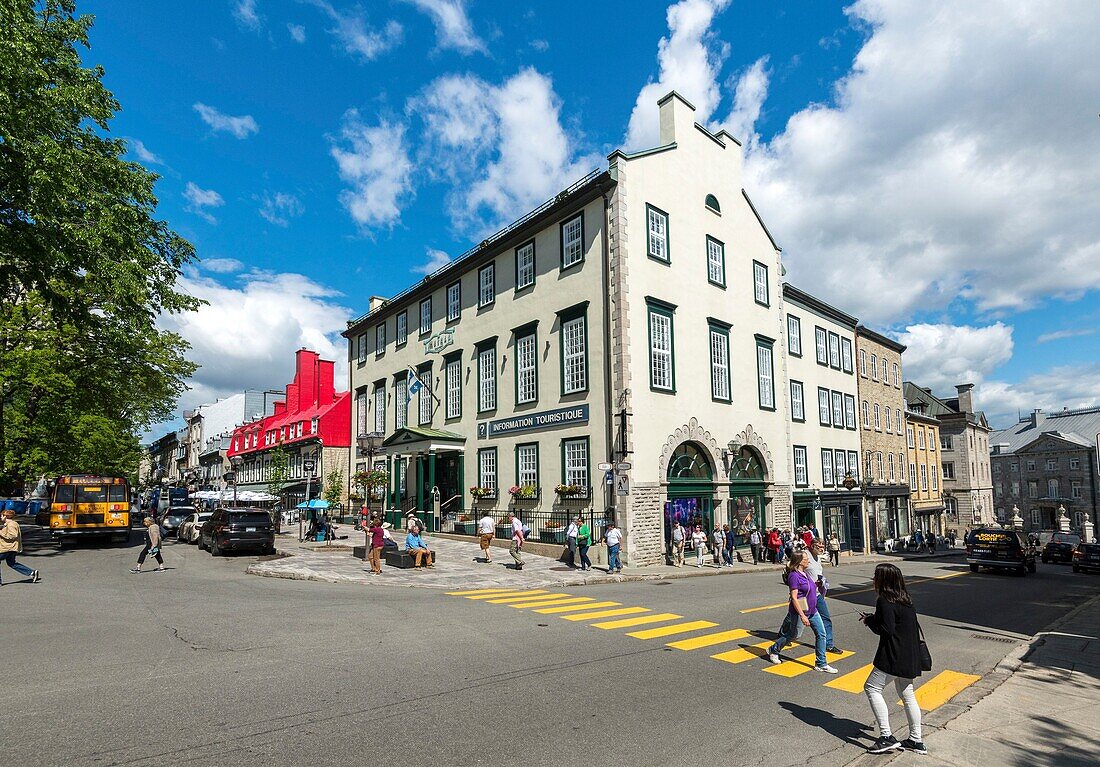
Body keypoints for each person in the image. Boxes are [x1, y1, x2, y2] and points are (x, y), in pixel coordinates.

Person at [860, 563, 927, 755]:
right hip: (909, 655)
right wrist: (874, 618)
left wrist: (870, 620)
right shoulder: (906, 599)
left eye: (876, 576)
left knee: (872, 687)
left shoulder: (884, 600)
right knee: (908, 695)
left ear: (883, 580)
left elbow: (886, 629)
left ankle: (886, 737)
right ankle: (916, 739)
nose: (874, 579)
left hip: (893, 655)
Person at [765, 550, 837, 674]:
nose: (809, 560)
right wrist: (802, 615)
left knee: (821, 634)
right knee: (794, 635)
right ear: (800, 561)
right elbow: (794, 597)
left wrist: (817, 584)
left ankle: (821, 663)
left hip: (813, 611)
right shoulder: (794, 576)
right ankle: (774, 649)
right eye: (806, 559)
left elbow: (808, 588)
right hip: (800, 612)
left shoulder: (805, 573)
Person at [807, 539, 841, 654]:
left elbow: (817, 574)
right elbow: (794, 570)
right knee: (795, 620)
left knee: (825, 618)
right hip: (806, 595)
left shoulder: (818, 558)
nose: (821, 548)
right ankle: (784, 635)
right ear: (812, 546)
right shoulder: (805, 555)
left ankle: (829, 645)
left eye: (822, 546)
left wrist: (822, 582)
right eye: (819, 546)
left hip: (817, 594)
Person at [0, 509, 40, 584]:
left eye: (1, 516)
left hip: (7, 548)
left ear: (5, 516)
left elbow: (12, 535)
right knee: (12, 563)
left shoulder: (11, 524)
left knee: (11, 563)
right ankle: (32, 572)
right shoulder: (9, 524)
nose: (0, 517)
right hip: (11, 548)